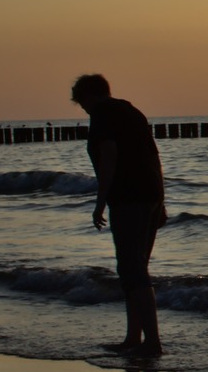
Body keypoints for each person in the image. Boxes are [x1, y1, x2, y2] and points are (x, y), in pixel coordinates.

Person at [70, 73, 165, 355]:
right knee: (135, 269)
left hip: (128, 199)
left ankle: (151, 342)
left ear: (89, 96)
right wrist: (161, 202)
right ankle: (133, 338)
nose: (83, 109)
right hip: (150, 196)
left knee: (132, 270)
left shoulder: (102, 114)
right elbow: (153, 156)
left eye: (81, 103)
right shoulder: (132, 111)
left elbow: (109, 156)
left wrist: (100, 201)